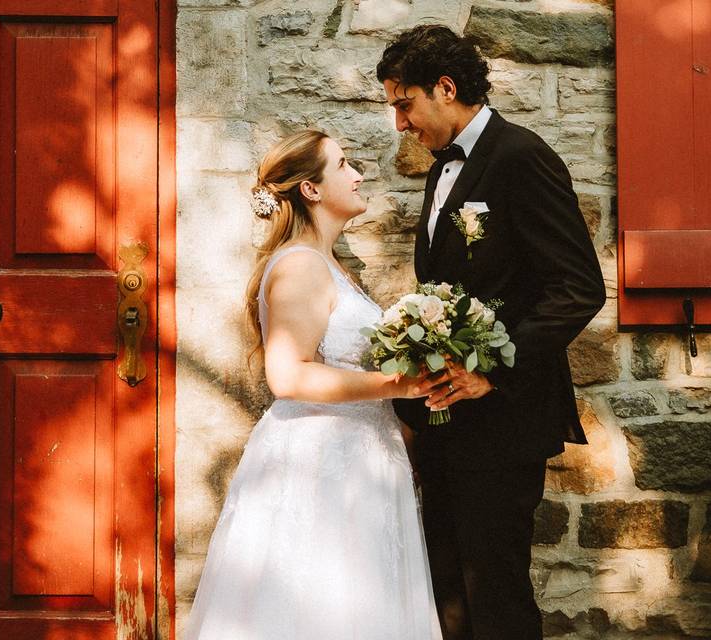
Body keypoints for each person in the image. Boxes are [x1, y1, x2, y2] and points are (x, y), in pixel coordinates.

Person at [377, 25, 607, 640]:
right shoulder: (440, 172)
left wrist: (491, 372)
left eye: (404, 103)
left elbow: (578, 288)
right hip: (445, 424)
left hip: (503, 423)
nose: (400, 123)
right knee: (449, 593)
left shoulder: (521, 157)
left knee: (496, 595)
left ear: (445, 88)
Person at [184, 130, 445, 640]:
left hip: (364, 456)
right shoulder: (300, 265)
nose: (359, 174)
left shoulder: (332, 267)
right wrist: (398, 383)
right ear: (311, 190)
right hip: (321, 464)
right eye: (344, 165)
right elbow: (287, 374)